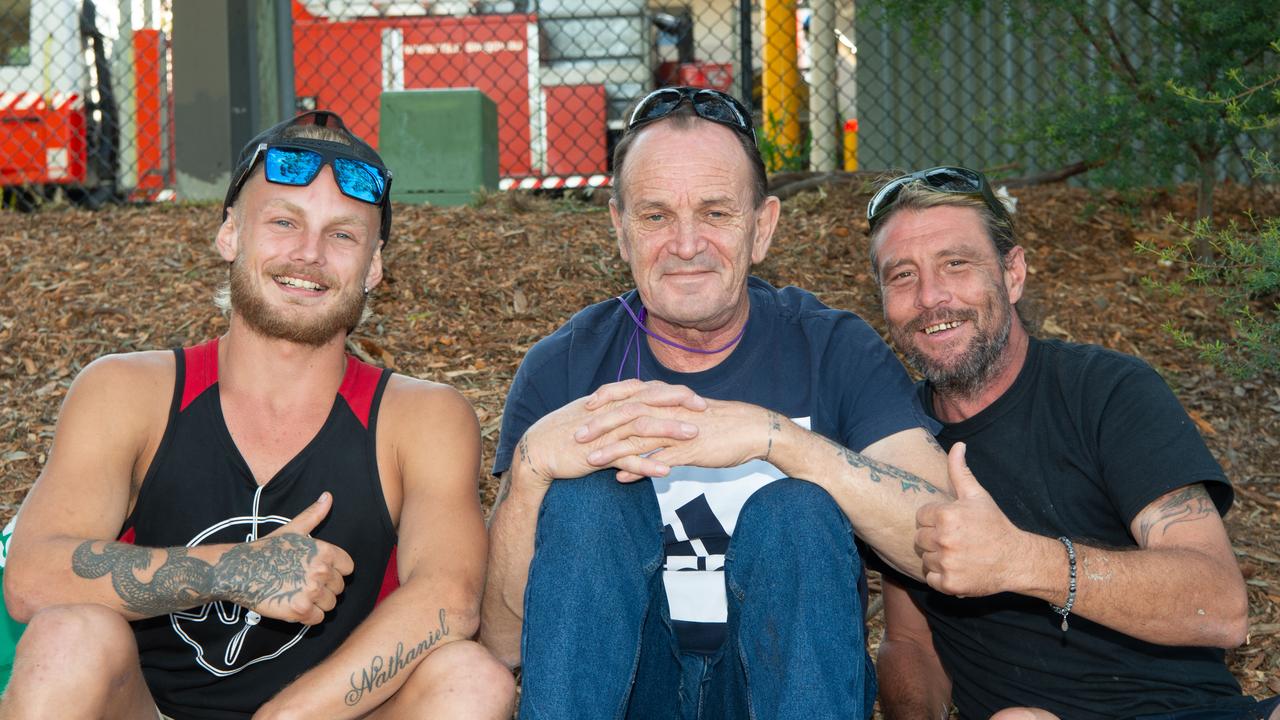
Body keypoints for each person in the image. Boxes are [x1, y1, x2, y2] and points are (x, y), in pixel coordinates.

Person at [0, 111, 515, 720]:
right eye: (282, 222)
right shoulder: (128, 390)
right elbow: (33, 578)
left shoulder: (420, 418)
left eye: (343, 235)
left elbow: (449, 600)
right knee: (69, 641)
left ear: (373, 267)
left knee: (471, 681)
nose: (309, 254)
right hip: (146, 708)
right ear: (230, 235)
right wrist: (238, 570)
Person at [480, 86, 955, 720]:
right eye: (654, 216)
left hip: (778, 684)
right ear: (619, 230)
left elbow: (942, 542)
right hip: (623, 689)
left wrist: (782, 440)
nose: (684, 244)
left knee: (799, 512)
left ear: (762, 227)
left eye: (715, 213)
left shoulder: (831, 348)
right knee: (587, 498)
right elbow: (501, 644)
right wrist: (534, 465)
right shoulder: (565, 366)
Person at [866, 166, 1280, 720]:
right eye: (902, 276)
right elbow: (911, 641)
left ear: (1013, 274)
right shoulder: (894, 442)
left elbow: (1221, 606)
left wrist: (1018, 560)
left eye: (955, 264)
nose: (930, 297)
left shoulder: (1104, 391)